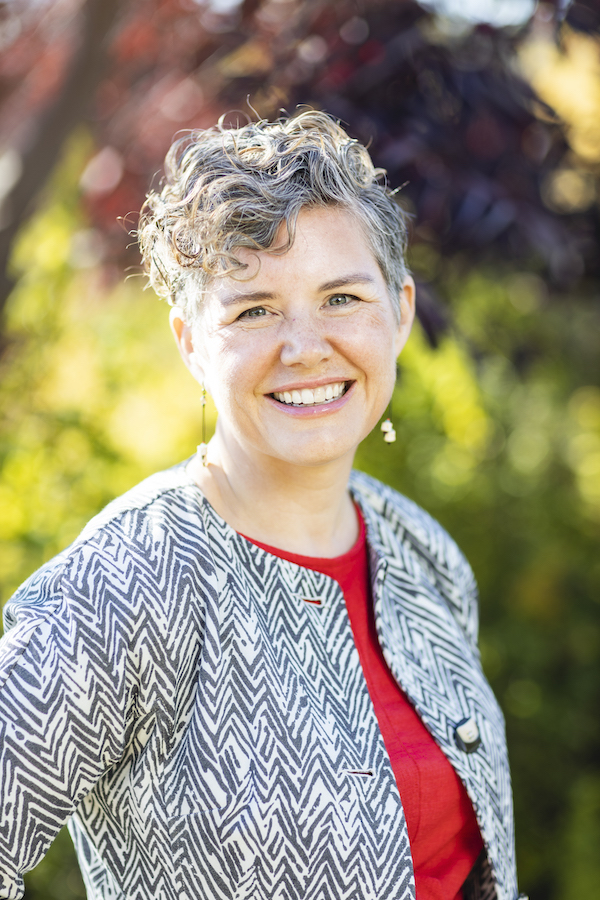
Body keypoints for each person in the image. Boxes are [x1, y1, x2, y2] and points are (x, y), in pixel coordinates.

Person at [0, 111, 525, 900]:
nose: (305, 346)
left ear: (401, 311)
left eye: (342, 297)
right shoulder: (127, 583)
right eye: (253, 309)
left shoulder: (425, 555)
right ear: (189, 342)